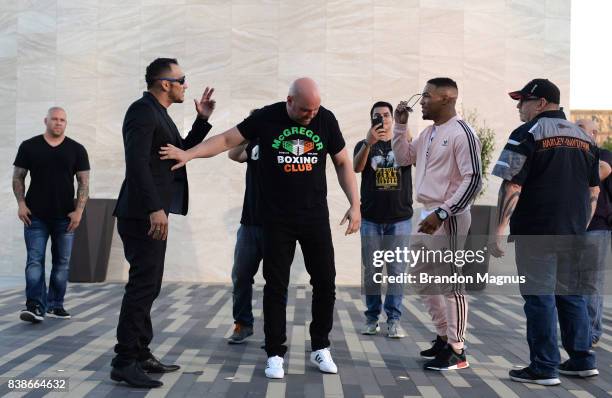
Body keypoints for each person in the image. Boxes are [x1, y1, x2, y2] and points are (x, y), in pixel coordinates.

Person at [159, 77, 361, 379]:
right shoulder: (266, 117)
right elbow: (227, 141)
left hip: (314, 217)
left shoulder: (326, 119)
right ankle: (275, 353)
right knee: (275, 286)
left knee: (326, 282)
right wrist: (189, 154)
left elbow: (343, 162)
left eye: (315, 110)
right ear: (289, 101)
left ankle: (320, 346)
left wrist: (355, 204)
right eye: (305, 110)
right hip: (275, 219)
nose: (310, 116)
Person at [110, 58, 216, 389]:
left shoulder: (159, 114)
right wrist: (155, 208)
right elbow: (136, 162)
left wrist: (202, 120)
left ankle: (140, 353)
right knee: (142, 285)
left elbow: (178, 152)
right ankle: (124, 360)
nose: (186, 84)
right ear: (164, 83)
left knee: (150, 284)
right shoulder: (141, 111)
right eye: (181, 79)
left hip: (153, 212)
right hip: (143, 213)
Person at [491, 79, 600, 386]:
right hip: (574, 233)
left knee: (539, 299)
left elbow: (512, 183)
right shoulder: (585, 138)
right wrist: (582, 225)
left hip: (536, 232)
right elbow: (594, 189)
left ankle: (544, 366)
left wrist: (499, 228)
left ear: (540, 103)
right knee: (572, 296)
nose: (518, 106)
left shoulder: (527, 134)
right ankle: (581, 359)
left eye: (522, 100)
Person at [392, 77, 482, 371]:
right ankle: (443, 336)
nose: (422, 101)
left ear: (446, 98)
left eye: (427, 96)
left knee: (451, 283)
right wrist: (401, 126)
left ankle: (457, 350)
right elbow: (404, 157)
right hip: (426, 214)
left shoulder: (462, 133)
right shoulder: (429, 133)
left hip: (449, 217)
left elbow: (473, 180)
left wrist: (443, 213)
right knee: (420, 275)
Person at [12, 107, 89, 323]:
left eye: (62, 120)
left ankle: (55, 305)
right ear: (46, 120)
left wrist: (79, 211)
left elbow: (83, 182)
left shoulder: (77, 149)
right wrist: (21, 203)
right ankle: (35, 305)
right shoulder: (29, 146)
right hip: (34, 216)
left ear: (66, 123)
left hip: (65, 217)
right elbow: (18, 177)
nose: (58, 123)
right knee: (34, 261)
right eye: (54, 119)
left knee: (62, 263)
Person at [354, 101, 413, 338]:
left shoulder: (404, 143)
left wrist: (403, 125)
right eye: (377, 116)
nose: (382, 119)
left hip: (399, 218)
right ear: (371, 120)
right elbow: (357, 168)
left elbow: (417, 158)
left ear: (392, 118)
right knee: (372, 271)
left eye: (386, 115)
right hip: (371, 219)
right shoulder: (364, 144)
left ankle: (394, 320)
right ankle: (371, 318)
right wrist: (369, 142)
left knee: (397, 271)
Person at [576, 118, 612, 347]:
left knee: (590, 281)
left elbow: (604, 170)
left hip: (596, 227)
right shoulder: (573, 155)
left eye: (580, 128)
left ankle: (591, 333)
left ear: (595, 133)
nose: (575, 131)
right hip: (574, 226)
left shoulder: (602, 153)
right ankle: (581, 330)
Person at [227, 132, 263, 344]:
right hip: (249, 224)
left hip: (277, 227)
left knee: (276, 282)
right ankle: (243, 324)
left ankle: (274, 330)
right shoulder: (253, 144)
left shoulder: (284, 145)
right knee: (240, 276)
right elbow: (233, 154)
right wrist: (247, 135)